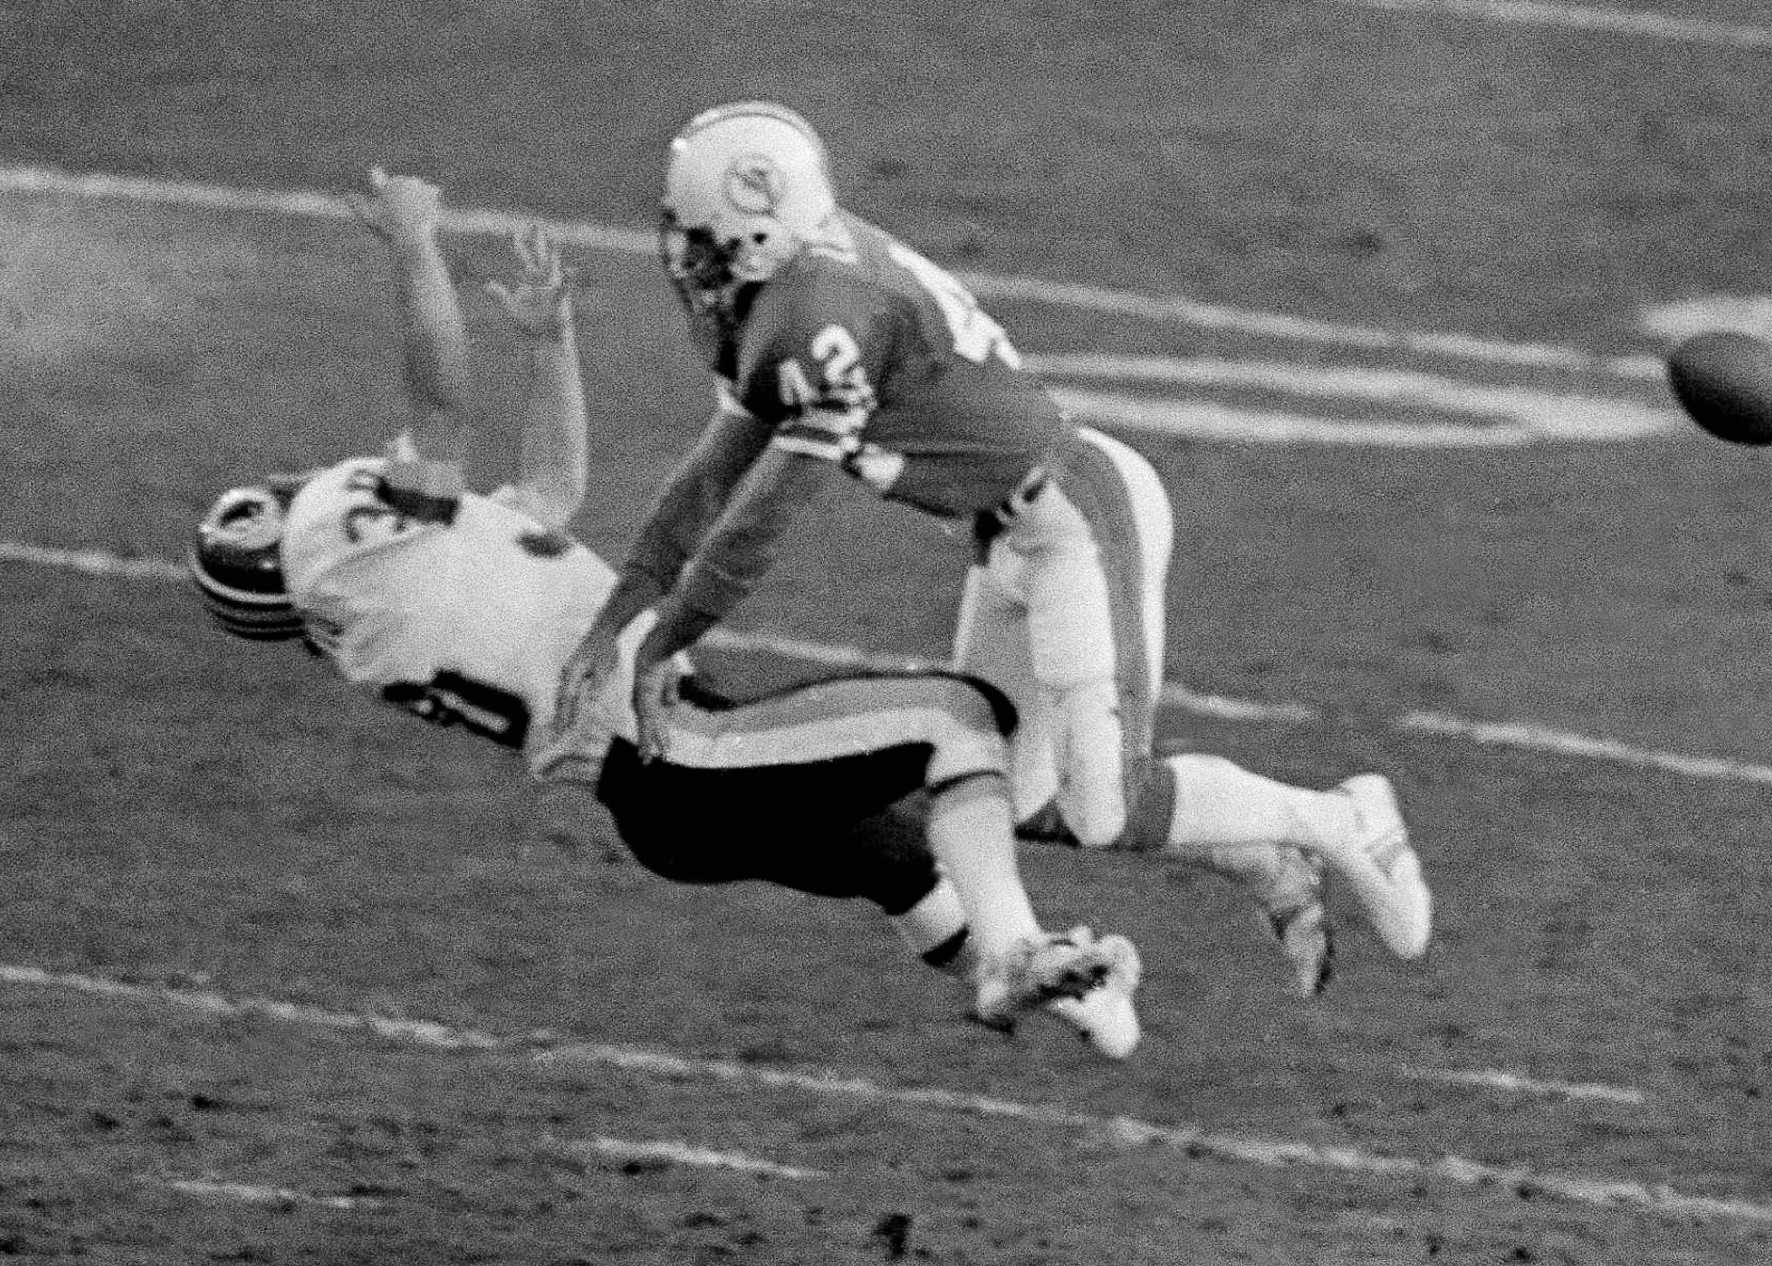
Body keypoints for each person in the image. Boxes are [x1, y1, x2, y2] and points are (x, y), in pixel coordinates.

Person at [186, 167, 1144, 1058]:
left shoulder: (397, 593)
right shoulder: (326, 543)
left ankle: (1050, 984)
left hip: (660, 795)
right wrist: (412, 245)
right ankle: (1020, 953)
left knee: (894, 858)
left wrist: (551, 344)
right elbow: (438, 407)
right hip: (675, 756)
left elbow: (549, 495)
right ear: (276, 553)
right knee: (958, 718)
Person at [554, 101, 1433, 998]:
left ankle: (1339, 815)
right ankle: (1244, 872)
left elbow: (755, 525)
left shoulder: (819, 321)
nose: (682, 257)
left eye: (702, 239)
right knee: (1006, 792)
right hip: (1004, 536)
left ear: (764, 236)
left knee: (1106, 807)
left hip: (1077, 516)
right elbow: (706, 485)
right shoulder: (776, 298)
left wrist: (667, 636)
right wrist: (617, 621)